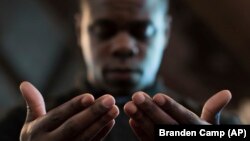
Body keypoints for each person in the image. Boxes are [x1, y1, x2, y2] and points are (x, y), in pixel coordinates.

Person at [0, 0, 240, 141]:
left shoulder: (219, 130)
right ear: (79, 31)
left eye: (143, 30)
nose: (123, 46)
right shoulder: (19, 129)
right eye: (104, 29)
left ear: (165, 33)